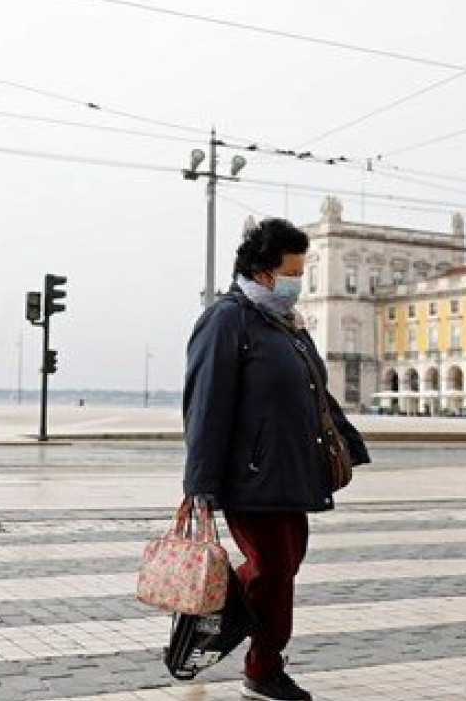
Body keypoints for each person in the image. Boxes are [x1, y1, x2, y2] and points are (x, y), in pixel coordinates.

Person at [182, 218, 371, 701]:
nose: (298, 282)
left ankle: (216, 612)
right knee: (275, 572)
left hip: (294, 472)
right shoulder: (227, 320)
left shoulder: (286, 324)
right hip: (252, 478)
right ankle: (262, 671)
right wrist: (199, 485)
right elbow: (205, 404)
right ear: (264, 273)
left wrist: (348, 441)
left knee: (283, 567)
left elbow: (316, 393)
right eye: (292, 272)